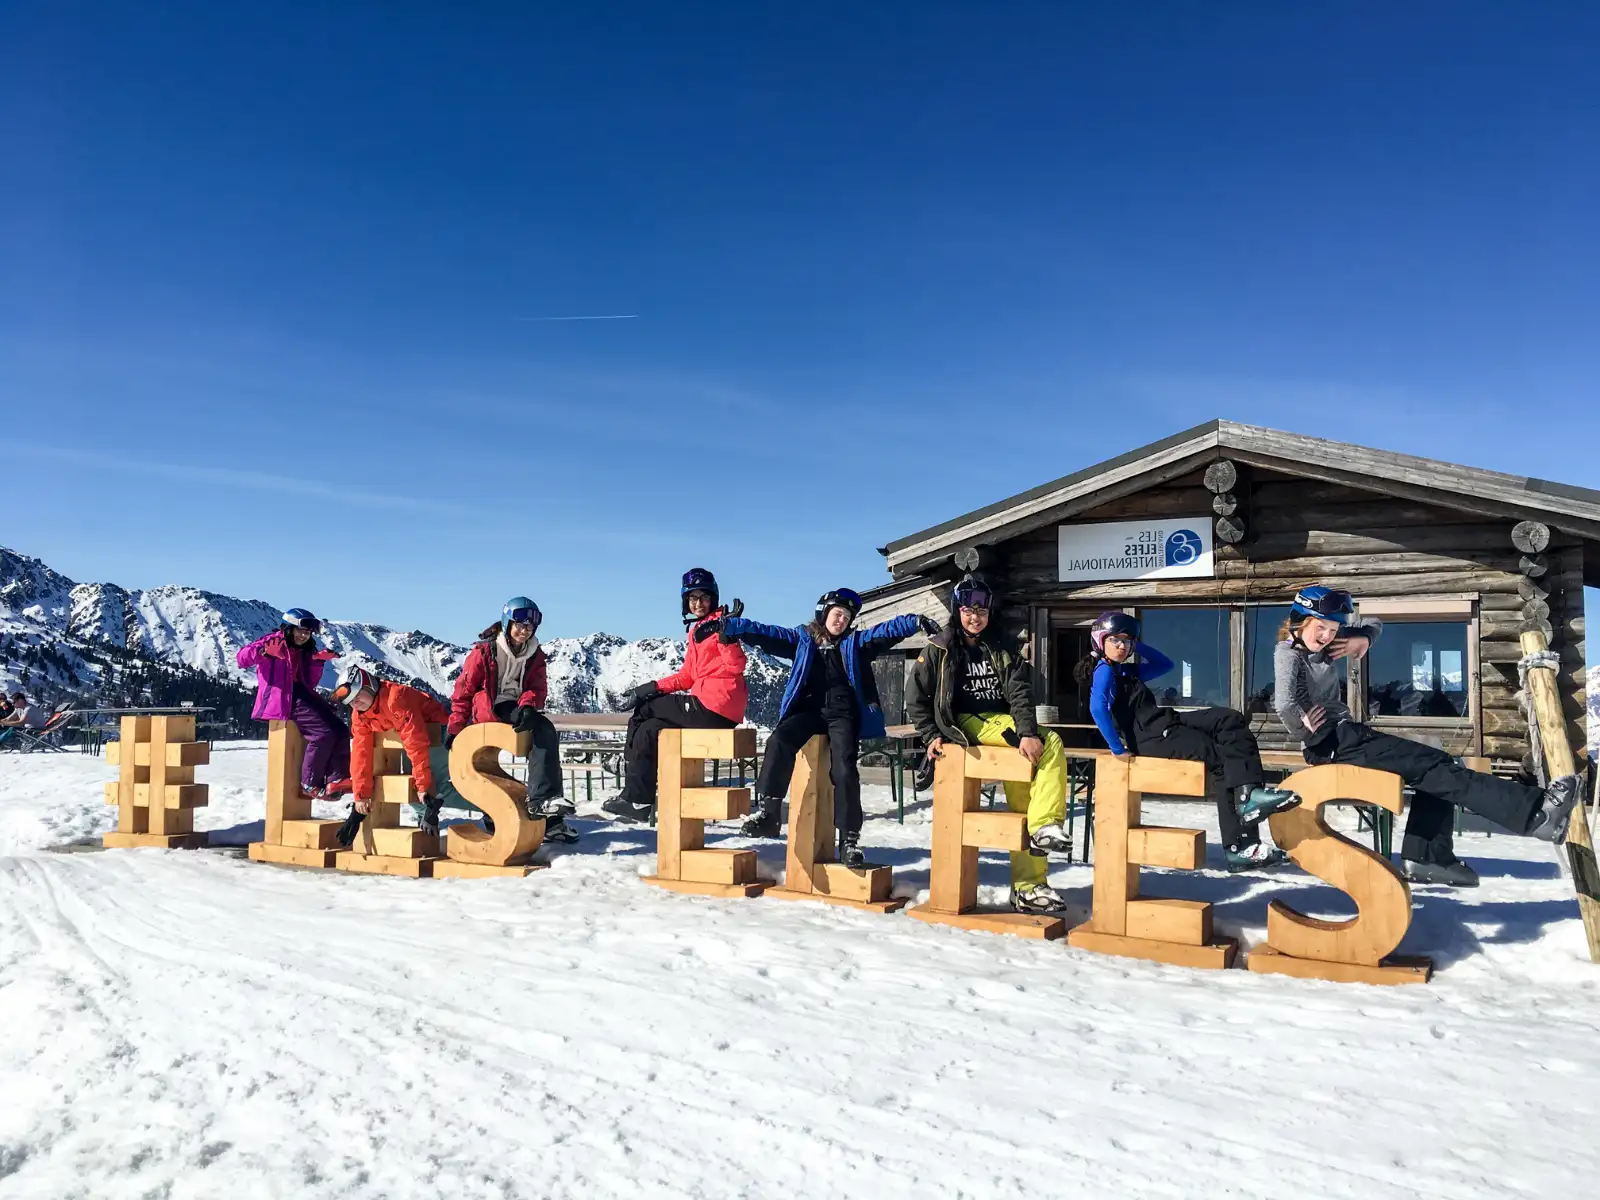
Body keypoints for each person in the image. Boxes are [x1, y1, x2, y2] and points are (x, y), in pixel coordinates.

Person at [1274, 585, 1583, 887]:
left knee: (1436, 765)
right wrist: (1305, 730)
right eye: (1320, 627)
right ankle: (1534, 815)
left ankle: (1428, 857)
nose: (1327, 635)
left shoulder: (1325, 645)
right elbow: (1285, 702)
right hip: (1332, 743)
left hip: (1346, 737)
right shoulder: (1289, 654)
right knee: (1433, 763)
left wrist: (1361, 637)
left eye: (1332, 628)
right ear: (1301, 620)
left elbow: (1373, 623)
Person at [698, 588, 931, 866]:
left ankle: (849, 841)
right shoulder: (802, 639)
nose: (841, 620)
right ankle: (770, 814)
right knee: (779, 741)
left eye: (846, 616)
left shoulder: (855, 643)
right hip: (808, 710)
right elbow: (766, 633)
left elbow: (885, 631)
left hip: (842, 714)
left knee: (844, 768)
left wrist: (915, 622)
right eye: (837, 614)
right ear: (824, 613)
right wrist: (728, 625)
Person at [1076, 611, 1300, 872]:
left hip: (1166, 722)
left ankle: (1249, 795)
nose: (1123, 646)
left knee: (1229, 719)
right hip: (1152, 737)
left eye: (1127, 641)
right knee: (1220, 760)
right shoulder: (1104, 671)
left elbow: (1164, 664)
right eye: (1115, 640)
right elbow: (1098, 709)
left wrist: (1136, 642)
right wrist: (1117, 748)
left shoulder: (1124, 671)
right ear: (1100, 640)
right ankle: (1239, 847)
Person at [906, 574, 1073, 915]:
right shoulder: (939, 647)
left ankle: (1028, 886)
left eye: (981, 610)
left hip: (1002, 725)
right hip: (965, 725)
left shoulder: (1001, 646)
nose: (975, 616)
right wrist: (929, 734)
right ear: (958, 611)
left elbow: (1019, 692)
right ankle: (1046, 825)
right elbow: (915, 697)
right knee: (1050, 738)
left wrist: (1026, 729)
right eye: (968, 610)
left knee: (1024, 801)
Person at [604, 568, 748, 823]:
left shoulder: (720, 625)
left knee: (645, 710)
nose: (698, 603)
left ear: (713, 598)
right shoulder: (699, 630)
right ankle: (639, 802)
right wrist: (650, 687)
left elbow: (736, 666)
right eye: (692, 598)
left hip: (714, 706)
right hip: (709, 705)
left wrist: (728, 637)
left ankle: (628, 769)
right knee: (650, 728)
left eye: (703, 597)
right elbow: (687, 677)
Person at [447, 596, 577, 844]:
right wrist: (455, 728)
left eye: (529, 626)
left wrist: (528, 704)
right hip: (492, 709)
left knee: (544, 737)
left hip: (517, 707)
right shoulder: (484, 651)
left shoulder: (534, 654)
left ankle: (547, 815)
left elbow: (538, 687)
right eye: (519, 624)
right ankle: (538, 803)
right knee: (542, 729)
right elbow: (463, 692)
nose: (524, 630)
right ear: (507, 623)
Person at [333, 665, 457, 844]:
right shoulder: (360, 716)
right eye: (350, 701)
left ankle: (490, 808)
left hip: (438, 733)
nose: (355, 703)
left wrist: (424, 786)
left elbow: (417, 742)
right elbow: (361, 753)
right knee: (413, 791)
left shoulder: (395, 699)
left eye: (358, 696)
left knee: (434, 789)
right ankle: (425, 823)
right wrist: (360, 797)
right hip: (410, 741)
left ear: (369, 687)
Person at [237, 609, 351, 798]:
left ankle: (336, 779)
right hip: (283, 699)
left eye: (307, 633)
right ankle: (310, 783)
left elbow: (311, 682)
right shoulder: (273, 641)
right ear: (288, 628)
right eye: (300, 631)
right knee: (322, 733)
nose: (304, 636)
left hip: (302, 695)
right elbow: (241, 659)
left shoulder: (306, 650)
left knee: (340, 729)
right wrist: (264, 652)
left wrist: (316, 662)